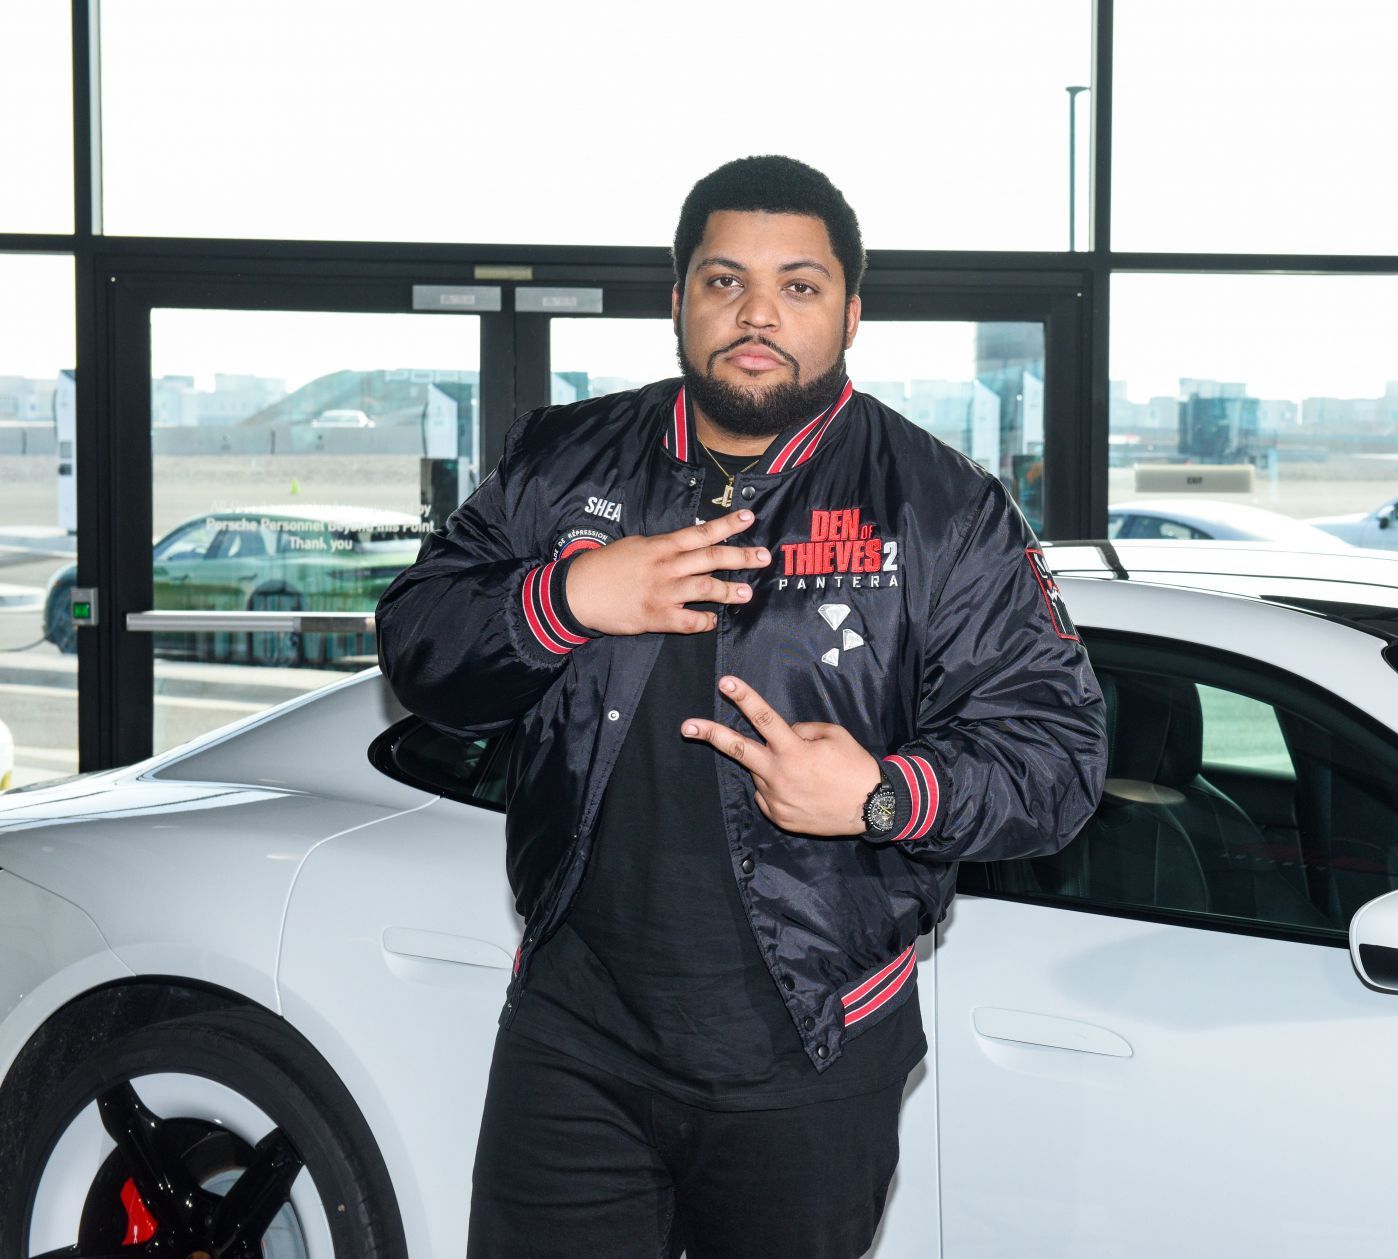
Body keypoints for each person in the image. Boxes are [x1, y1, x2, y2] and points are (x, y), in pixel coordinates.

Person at [374, 155, 1107, 1259]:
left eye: (799, 285)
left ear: (852, 312)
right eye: (723, 280)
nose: (757, 311)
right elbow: (419, 642)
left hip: (812, 1053)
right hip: (574, 1039)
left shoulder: (945, 507)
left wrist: (883, 792)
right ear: (677, 299)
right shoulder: (561, 459)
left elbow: (1057, 755)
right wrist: (569, 595)